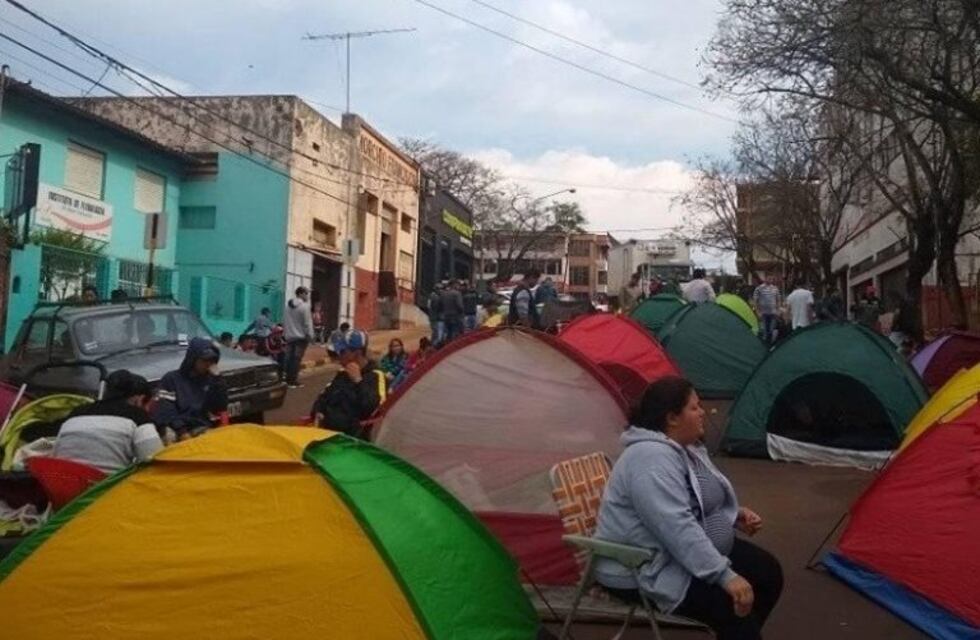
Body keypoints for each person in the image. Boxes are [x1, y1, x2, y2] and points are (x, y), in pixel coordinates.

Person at [595, 377, 783, 640]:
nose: (703, 413)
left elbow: (696, 498)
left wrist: (733, 515)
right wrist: (724, 575)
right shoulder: (650, 459)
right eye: (695, 408)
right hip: (644, 566)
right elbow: (675, 525)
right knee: (730, 608)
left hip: (678, 553)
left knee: (767, 572)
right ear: (672, 418)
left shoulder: (684, 448)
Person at [53, 370, 164, 473]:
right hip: (106, 486)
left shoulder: (75, 413)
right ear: (139, 399)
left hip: (64, 482)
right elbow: (154, 461)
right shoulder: (138, 416)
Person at [312, 331, 384, 439]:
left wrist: (358, 381)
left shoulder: (376, 376)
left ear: (357, 353)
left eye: (342, 351)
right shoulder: (342, 373)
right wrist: (318, 411)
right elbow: (324, 396)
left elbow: (372, 409)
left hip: (350, 440)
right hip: (326, 433)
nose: (338, 355)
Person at [153, 338, 228, 440]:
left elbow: (219, 407)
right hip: (175, 428)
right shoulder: (171, 379)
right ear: (193, 359)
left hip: (202, 426)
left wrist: (218, 381)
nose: (208, 364)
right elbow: (164, 409)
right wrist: (182, 431)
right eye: (204, 360)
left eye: (212, 360)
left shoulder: (211, 380)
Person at [283, 286, 314, 388]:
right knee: (296, 360)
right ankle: (292, 381)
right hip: (300, 337)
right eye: (306, 293)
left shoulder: (288, 306)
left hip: (289, 336)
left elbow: (285, 321)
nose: (307, 296)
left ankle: (286, 379)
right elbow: (307, 324)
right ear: (300, 294)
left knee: (288, 358)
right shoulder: (304, 307)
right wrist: (310, 336)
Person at [752, 276, 782, 345]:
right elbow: (755, 301)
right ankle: (764, 345)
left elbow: (778, 300)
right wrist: (757, 312)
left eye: (771, 279)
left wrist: (778, 310)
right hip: (763, 313)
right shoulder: (759, 288)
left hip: (773, 313)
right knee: (765, 330)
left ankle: (770, 344)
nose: (770, 280)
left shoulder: (775, 288)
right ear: (765, 279)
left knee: (771, 329)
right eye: (769, 278)